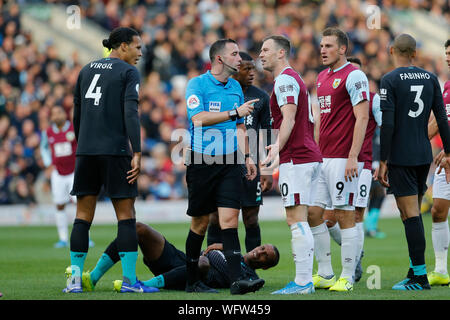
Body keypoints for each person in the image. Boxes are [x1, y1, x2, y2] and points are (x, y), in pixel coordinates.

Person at [63, 27, 157, 293]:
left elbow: (77, 114)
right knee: (126, 217)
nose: (141, 53)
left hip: (87, 151)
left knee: (82, 216)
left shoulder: (86, 69)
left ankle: (73, 282)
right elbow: (131, 112)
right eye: (138, 47)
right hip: (115, 151)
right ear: (123, 46)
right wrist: (136, 151)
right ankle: (129, 281)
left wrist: (84, 144)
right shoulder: (128, 72)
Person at [183, 38, 261, 295]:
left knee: (230, 220)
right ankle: (192, 280)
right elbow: (198, 119)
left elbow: (239, 127)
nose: (240, 59)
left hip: (230, 161)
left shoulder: (236, 87)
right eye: (235, 54)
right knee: (200, 224)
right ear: (219, 59)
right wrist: (233, 113)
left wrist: (247, 157)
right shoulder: (197, 84)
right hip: (202, 160)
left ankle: (238, 281)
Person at [378, 34, 450, 291]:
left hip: (401, 155)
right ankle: (414, 269)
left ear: (392, 50)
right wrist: (449, 151)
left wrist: (383, 159)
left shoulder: (389, 79)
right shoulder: (431, 78)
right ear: (415, 52)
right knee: (411, 212)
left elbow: (388, 124)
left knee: (410, 215)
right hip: (422, 155)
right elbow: (441, 118)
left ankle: (419, 277)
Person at [308, 27, 370, 292]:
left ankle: (347, 276)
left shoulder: (355, 76)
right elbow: (320, 120)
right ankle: (324, 273)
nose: (323, 50)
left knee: (346, 215)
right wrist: (315, 154)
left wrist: (353, 156)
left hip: (344, 157)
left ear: (343, 49)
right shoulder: (322, 77)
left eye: (329, 46)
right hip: (323, 158)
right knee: (312, 212)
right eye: (321, 45)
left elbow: (363, 117)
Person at [259, 35, 322, 295]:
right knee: (307, 218)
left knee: (295, 219)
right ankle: (320, 274)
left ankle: (303, 281)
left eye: (266, 50)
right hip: (308, 156)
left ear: (281, 53)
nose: (260, 54)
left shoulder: (285, 79)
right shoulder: (293, 78)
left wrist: (278, 146)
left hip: (297, 158)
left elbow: (289, 117)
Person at [67, 222, 280, 292]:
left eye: (265, 256)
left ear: (266, 266)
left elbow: (256, 284)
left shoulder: (247, 275)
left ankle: (142, 285)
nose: (259, 252)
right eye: (262, 248)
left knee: (202, 263)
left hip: (194, 276)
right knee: (137, 228)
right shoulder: (230, 249)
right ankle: (92, 278)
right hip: (179, 259)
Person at [322, 56, 382, 283]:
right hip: (333, 160)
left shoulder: (373, 100)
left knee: (355, 214)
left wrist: (382, 161)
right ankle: (355, 253)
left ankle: (353, 264)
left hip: (362, 163)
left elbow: (385, 128)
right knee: (326, 218)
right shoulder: (334, 98)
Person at [206, 51, 272, 253]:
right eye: (247, 68)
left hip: (249, 167)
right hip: (222, 164)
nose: (252, 72)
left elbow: (268, 135)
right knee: (216, 218)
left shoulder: (261, 97)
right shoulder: (220, 93)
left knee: (251, 218)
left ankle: (251, 269)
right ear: (235, 70)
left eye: (253, 68)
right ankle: (216, 264)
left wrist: (268, 169)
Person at [425, 39, 450, 286]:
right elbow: (440, 120)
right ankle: (441, 270)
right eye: (447, 53)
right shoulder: (447, 86)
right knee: (438, 210)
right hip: (446, 160)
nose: (448, 57)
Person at [40, 105, 78, 248]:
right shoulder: (48, 132)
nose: (56, 116)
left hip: (74, 172)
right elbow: (44, 148)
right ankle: (63, 238)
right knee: (60, 205)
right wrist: (48, 163)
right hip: (58, 173)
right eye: (54, 114)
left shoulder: (74, 128)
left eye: (59, 112)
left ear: (64, 114)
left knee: (80, 205)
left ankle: (84, 237)